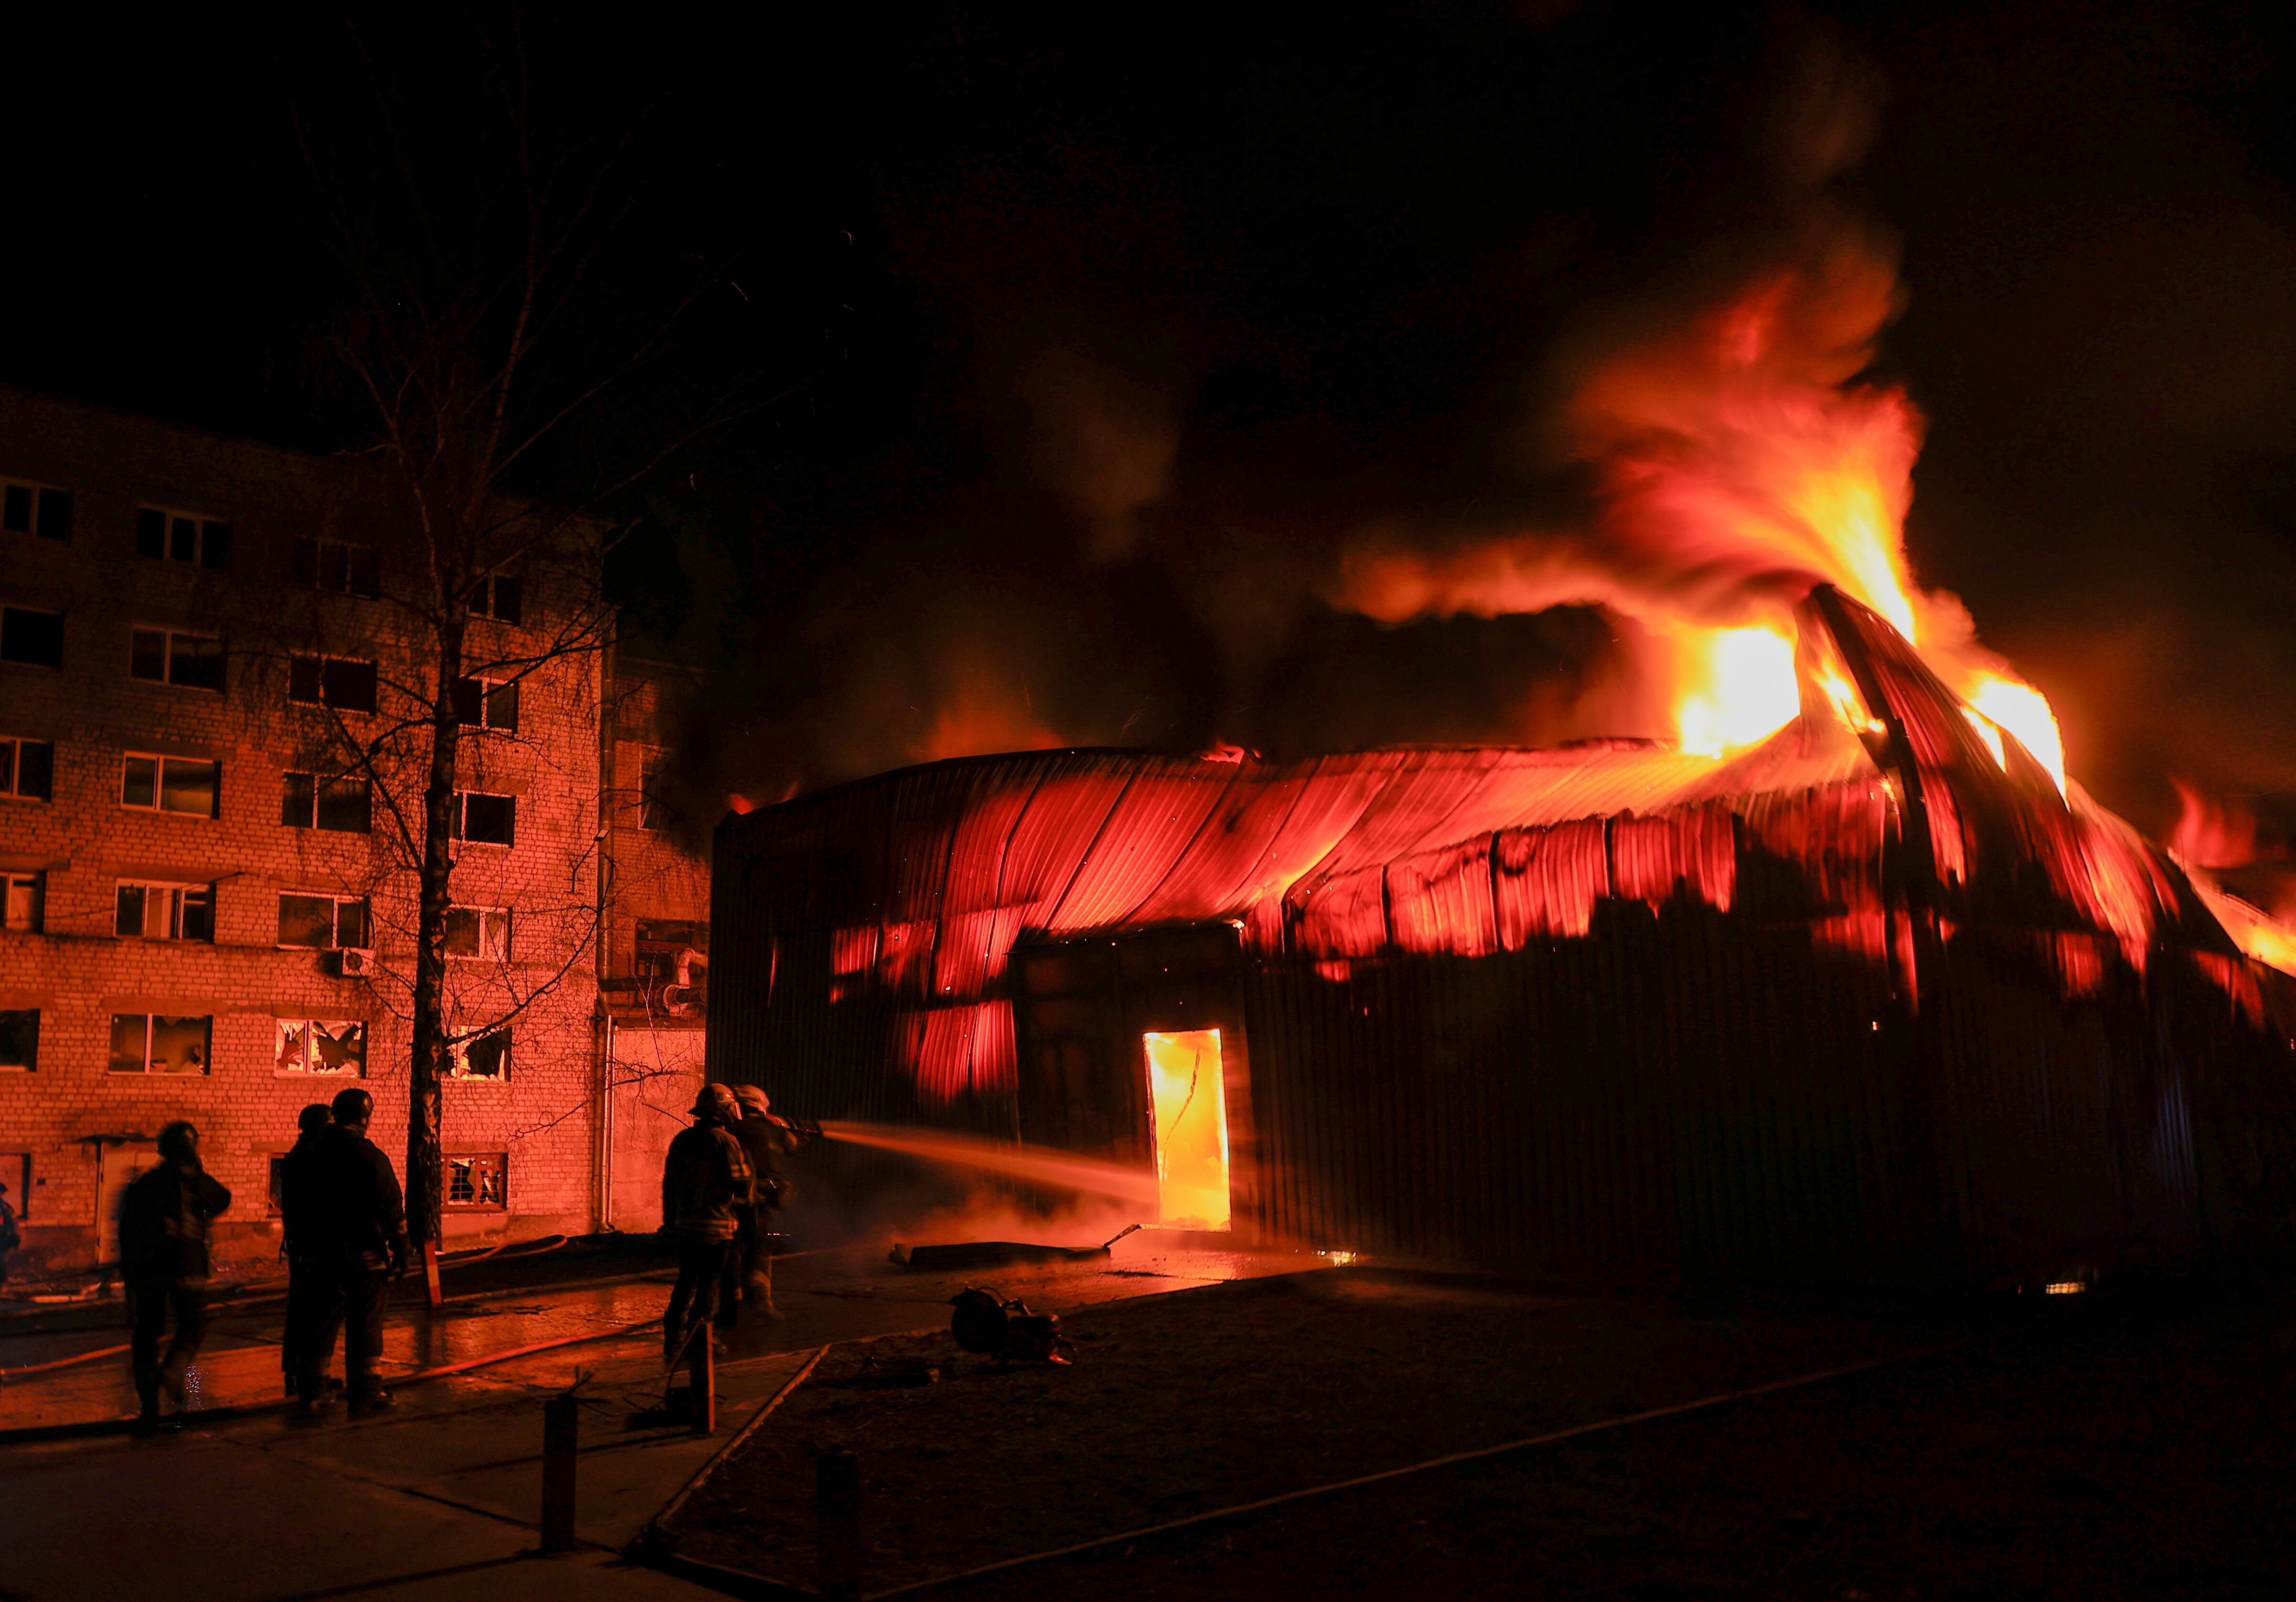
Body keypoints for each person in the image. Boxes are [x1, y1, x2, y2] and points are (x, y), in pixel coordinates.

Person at [292, 1087, 410, 1419]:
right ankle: (367, 1394)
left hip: (316, 1257)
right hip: (363, 1257)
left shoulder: (308, 1153)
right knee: (365, 1324)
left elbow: (295, 1203)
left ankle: (313, 1394)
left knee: (319, 1322)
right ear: (365, 1118)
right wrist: (402, 1249)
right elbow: (390, 1207)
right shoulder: (369, 1156)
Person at [117, 1121, 231, 1434]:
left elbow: (127, 1231)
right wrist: (197, 1171)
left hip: (150, 1272)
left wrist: (129, 1273)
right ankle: (174, 1370)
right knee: (193, 1326)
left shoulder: (145, 1184)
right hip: (189, 1267)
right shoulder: (197, 1182)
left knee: (146, 1336)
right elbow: (223, 1199)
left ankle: (150, 1408)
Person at [660, 1084, 751, 1368]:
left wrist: (670, 1220)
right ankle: (700, 1339)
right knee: (708, 1285)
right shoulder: (726, 1142)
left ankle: (673, 1340)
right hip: (717, 1227)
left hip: (686, 1226)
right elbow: (741, 1180)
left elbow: (670, 1183)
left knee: (685, 1281)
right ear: (724, 1110)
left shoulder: (683, 1140)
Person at [724, 1085, 809, 1322]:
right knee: (759, 1250)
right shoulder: (774, 1129)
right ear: (761, 1104)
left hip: (731, 1201)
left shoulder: (732, 1130)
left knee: (733, 1250)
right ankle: (762, 1302)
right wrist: (796, 1132)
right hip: (760, 1202)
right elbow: (790, 1146)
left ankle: (731, 1304)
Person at [275, 1103, 335, 1400]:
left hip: (302, 1244)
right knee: (315, 1312)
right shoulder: (314, 1160)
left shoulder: (297, 1157)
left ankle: (297, 1373)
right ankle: (308, 1377)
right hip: (315, 1247)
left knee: (301, 1309)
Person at [0, 1177, 20, 1292]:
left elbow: (13, 1223)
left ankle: (3, 1286)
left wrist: (15, 1238)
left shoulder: (4, 1207)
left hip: (2, 1237)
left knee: (1, 1261)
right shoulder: (5, 1206)